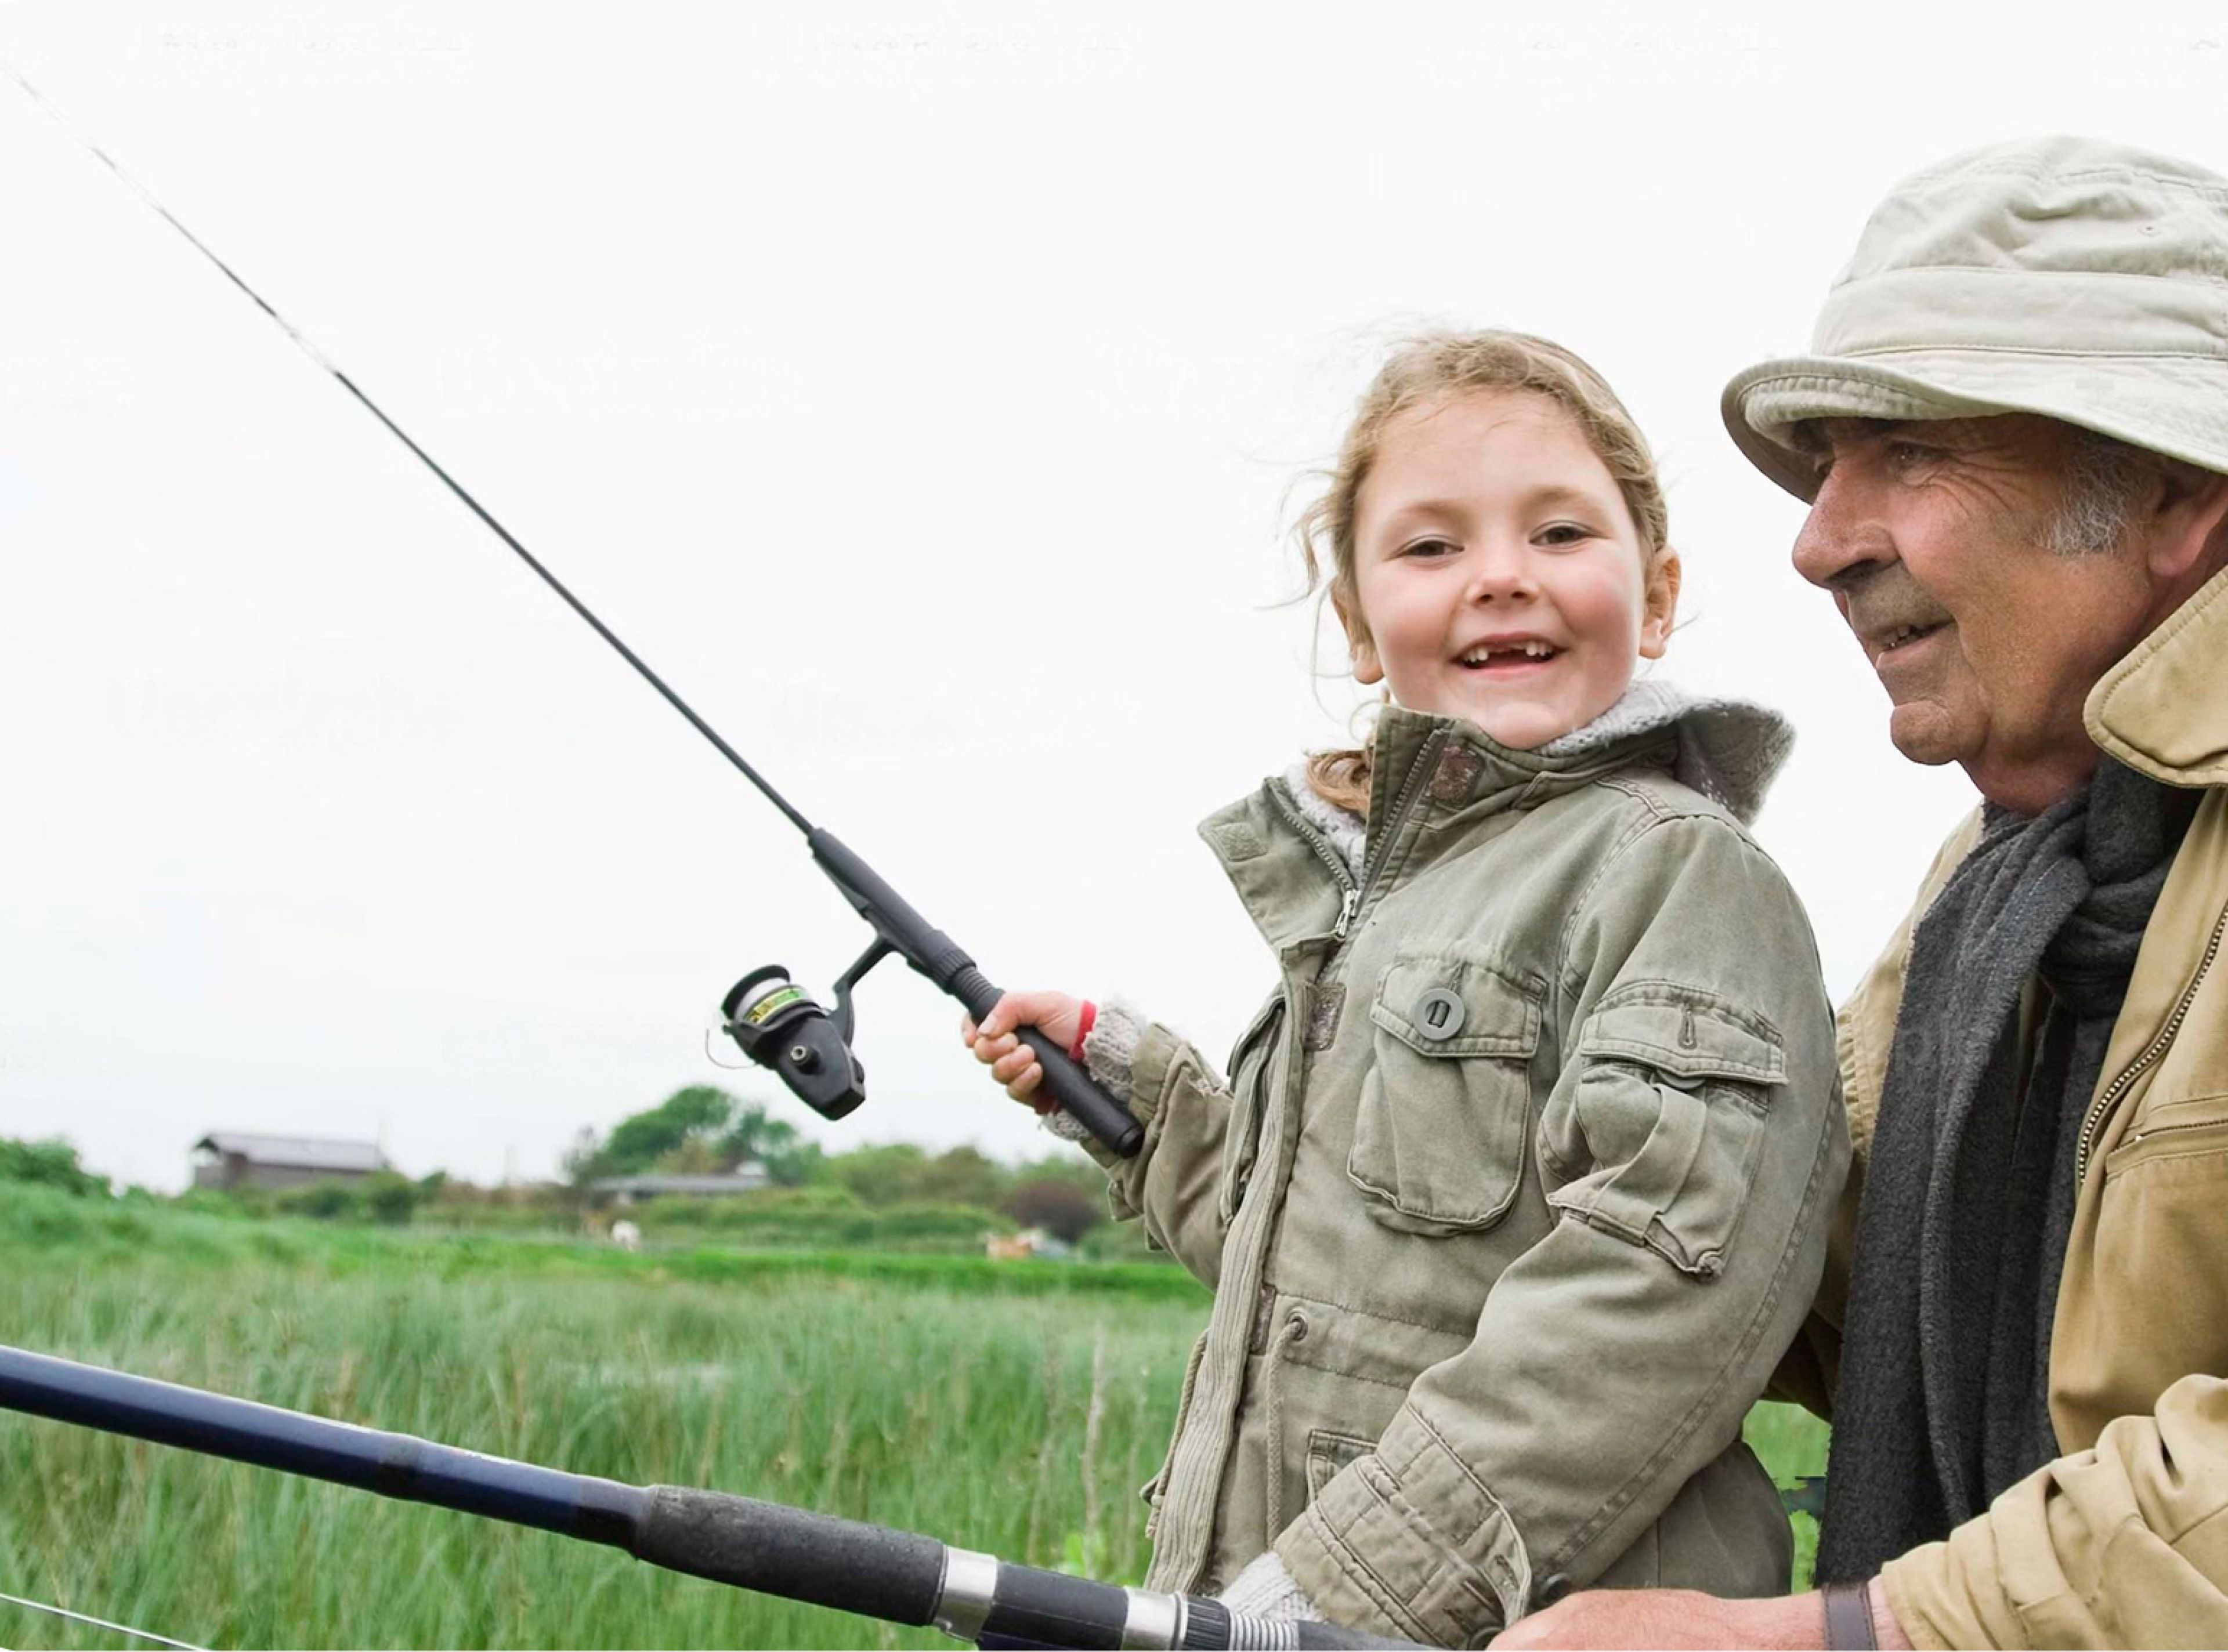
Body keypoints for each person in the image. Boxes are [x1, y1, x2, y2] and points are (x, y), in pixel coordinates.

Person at [961, 331, 1850, 1646]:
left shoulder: (1680, 874)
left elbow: (1658, 1301)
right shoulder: (1372, 909)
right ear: (1359, 625)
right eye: (1431, 547)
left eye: (1559, 532)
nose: (1500, 576)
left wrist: (1345, 1595)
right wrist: (1140, 1100)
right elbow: (1330, 1272)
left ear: (1656, 596)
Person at [1501, 138, 2228, 1650]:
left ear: (2173, 494)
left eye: (1907, 450)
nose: (1819, 542)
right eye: (1828, 463)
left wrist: (1830, 1637)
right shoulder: (2005, 887)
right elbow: (1803, 1276)